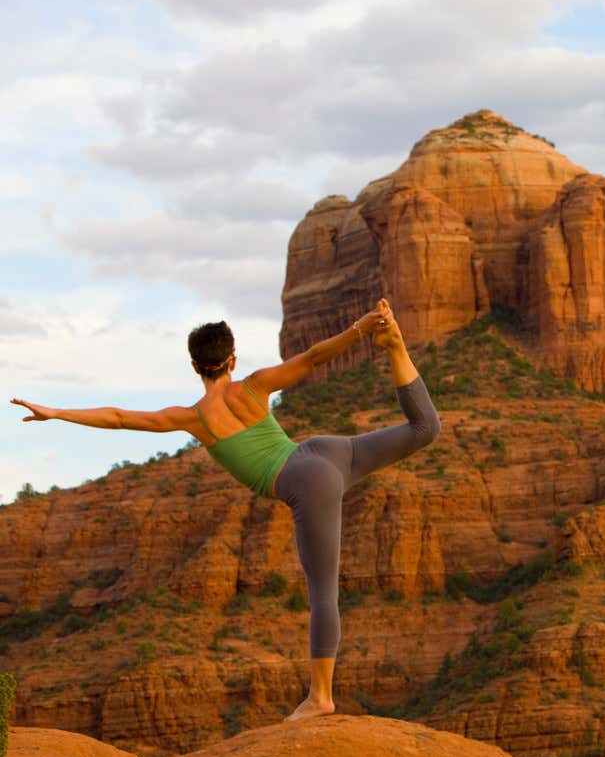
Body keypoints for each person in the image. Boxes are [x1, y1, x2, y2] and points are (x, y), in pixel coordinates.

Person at [10, 297, 441, 721]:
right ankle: (397, 351)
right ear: (233, 359)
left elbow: (121, 417)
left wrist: (57, 412)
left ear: (196, 367)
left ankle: (321, 697)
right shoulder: (253, 385)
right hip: (324, 451)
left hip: (308, 483)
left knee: (323, 594)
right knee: (423, 429)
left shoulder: (194, 418)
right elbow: (312, 358)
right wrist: (362, 330)